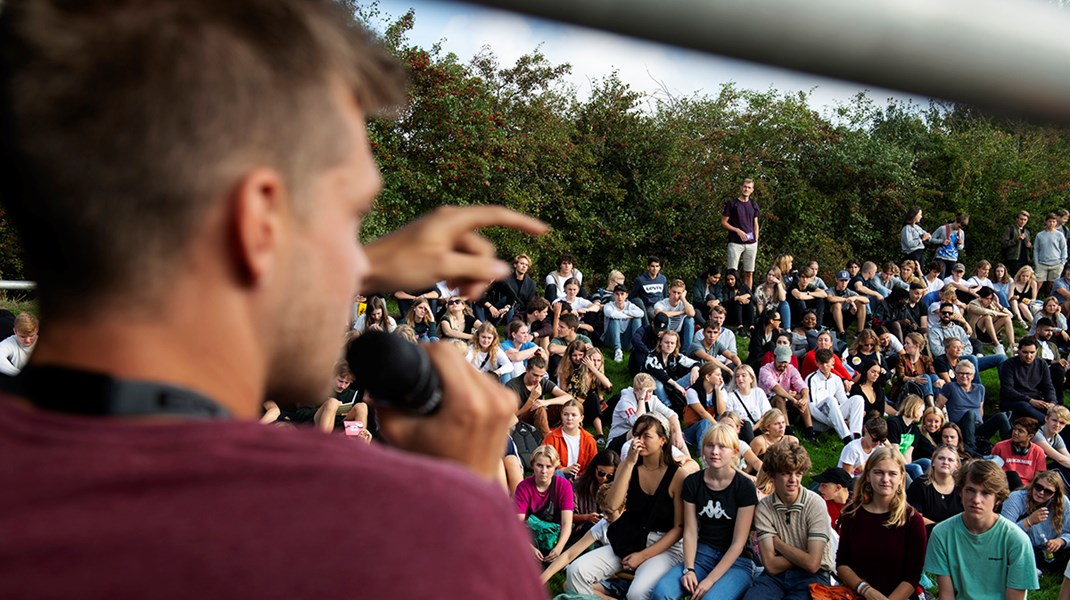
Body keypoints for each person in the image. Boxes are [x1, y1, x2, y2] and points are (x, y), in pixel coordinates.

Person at [0, 1, 551, 596]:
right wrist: (465, 505)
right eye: (352, 219)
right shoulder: (400, 534)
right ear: (260, 220)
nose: (359, 260)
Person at [565, 415, 691, 600]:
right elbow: (612, 505)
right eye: (636, 434)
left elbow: (679, 528)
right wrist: (629, 463)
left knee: (637, 593)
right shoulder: (629, 466)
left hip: (666, 545)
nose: (639, 441)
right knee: (576, 572)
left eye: (646, 436)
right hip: (632, 537)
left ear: (662, 440)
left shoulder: (678, 476)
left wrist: (642, 556)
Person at [650, 424, 758, 600]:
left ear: (734, 452)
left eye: (722, 446)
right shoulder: (693, 482)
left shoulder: (744, 487)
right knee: (661, 592)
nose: (714, 451)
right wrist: (689, 569)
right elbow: (690, 531)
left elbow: (738, 543)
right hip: (703, 553)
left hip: (737, 561)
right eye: (710, 445)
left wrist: (710, 580)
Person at [924, 460, 1039, 600]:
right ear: (960, 491)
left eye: (986, 493)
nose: (976, 500)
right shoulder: (941, 533)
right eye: (970, 490)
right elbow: (947, 595)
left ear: (998, 499)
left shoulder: (1016, 540)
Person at [744, 442, 837, 599]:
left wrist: (778, 544)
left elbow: (813, 564)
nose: (793, 479)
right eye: (786, 473)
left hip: (813, 576)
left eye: (798, 473)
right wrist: (805, 555)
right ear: (773, 475)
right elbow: (771, 565)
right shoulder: (764, 508)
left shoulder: (815, 503)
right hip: (775, 576)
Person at [836, 448, 927, 600]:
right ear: (868, 475)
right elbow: (842, 563)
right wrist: (866, 590)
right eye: (878, 472)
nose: (885, 479)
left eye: (892, 473)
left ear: (901, 478)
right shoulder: (851, 514)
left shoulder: (912, 519)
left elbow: (913, 575)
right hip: (857, 593)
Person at [541, 481, 624, 584]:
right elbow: (569, 554)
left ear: (623, 508)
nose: (605, 517)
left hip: (631, 572)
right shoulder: (603, 525)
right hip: (615, 571)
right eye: (603, 512)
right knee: (568, 585)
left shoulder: (635, 527)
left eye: (609, 513)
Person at [514, 445, 575, 565]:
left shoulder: (564, 485)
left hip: (556, 534)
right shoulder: (523, 487)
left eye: (549, 467)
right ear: (532, 465)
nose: (544, 471)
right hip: (531, 534)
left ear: (555, 468)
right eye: (539, 465)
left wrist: (558, 548)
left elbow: (567, 522)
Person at [1000, 470, 1070, 572]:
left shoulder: (1062, 502)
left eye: (1048, 491)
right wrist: (1029, 522)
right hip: (1025, 547)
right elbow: (1003, 533)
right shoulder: (1016, 498)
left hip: (1052, 548)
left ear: (1054, 494)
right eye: (1039, 487)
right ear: (1033, 484)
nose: (1041, 493)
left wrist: (1061, 541)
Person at [937, 360, 1010, 455]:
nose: (964, 376)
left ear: (973, 376)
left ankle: (1010, 447)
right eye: (961, 373)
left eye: (967, 373)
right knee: (970, 414)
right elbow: (938, 407)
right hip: (960, 428)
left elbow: (980, 410)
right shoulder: (950, 387)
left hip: (977, 428)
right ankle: (971, 450)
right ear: (956, 374)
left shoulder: (980, 388)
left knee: (1001, 416)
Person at [608, 373, 687, 455]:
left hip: (641, 440)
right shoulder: (625, 402)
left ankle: (690, 461)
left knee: (671, 430)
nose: (648, 395)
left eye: (650, 391)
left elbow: (672, 415)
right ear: (635, 390)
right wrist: (641, 399)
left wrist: (677, 433)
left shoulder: (652, 399)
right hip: (617, 444)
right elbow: (637, 423)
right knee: (638, 431)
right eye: (645, 391)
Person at [806, 348, 865, 443]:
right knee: (831, 400)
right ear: (817, 363)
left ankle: (856, 435)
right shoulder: (811, 379)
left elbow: (844, 401)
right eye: (821, 363)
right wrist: (833, 422)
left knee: (858, 399)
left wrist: (839, 420)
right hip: (819, 418)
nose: (824, 366)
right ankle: (847, 438)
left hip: (835, 415)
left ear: (832, 361)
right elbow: (811, 408)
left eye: (827, 363)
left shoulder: (836, 379)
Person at [757, 347, 815, 442]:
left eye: (786, 362)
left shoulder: (791, 369)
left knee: (799, 397)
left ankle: (809, 431)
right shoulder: (765, 370)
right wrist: (793, 400)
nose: (783, 365)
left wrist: (804, 398)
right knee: (780, 398)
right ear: (774, 358)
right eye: (780, 362)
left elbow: (801, 385)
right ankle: (787, 430)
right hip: (768, 402)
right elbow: (775, 388)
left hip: (785, 401)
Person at [507, 355, 574, 437]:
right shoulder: (513, 386)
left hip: (541, 418)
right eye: (535, 375)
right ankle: (548, 440)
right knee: (539, 409)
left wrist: (546, 402)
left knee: (564, 405)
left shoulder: (543, 382)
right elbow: (513, 417)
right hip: (520, 421)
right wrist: (532, 398)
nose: (538, 379)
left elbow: (569, 398)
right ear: (527, 369)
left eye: (541, 376)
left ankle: (572, 434)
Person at [906, 445, 962, 534]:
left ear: (957, 465)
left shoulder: (962, 488)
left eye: (950, 460)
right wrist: (942, 529)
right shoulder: (920, 484)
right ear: (933, 462)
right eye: (941, 458)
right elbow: (915, 517)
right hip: (927, 534)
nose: (945, 462)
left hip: (957, 535)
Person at [1000, 336, 1057, 422]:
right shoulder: (1009, 364)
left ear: (1036, 351)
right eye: (1025, 352)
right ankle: (1048, 423)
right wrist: (1030, 400)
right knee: (1024, 406)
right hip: (1015, 400)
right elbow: (1007, 389)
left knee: (1059, 410)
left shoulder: (1042, 364)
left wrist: (1052, 402)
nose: (1029, 356)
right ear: (1019, 351)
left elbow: (1048, 386)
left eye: (1032, 352)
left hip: (1036, 400)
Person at [569, 450, 621, 539]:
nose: (604, 478)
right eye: (601, 473)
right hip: (583, 530)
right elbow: (568, 515)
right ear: (594, 468)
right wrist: (587, 517)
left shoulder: (618, 488)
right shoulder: (578, 485)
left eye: (610, 476)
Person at [542, 399, 598, 479]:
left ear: (581, 418)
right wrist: (563, 470)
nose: (569, 418)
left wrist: (580, 477)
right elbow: (544, 461)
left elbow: (592, 465)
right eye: (566, 414)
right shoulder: (551, 437)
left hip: (581, 479)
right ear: (561, 416)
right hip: (557, 476)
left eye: (574, 415)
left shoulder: (589, 440)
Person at [722, 178, 760, 290]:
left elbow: (756, 224)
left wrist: (756, 241)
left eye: (749, 187)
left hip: (751, 243)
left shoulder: (754, 205)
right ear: (741, 188)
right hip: (735, 243)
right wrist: (737, 230)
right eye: (744, 187)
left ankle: (748, 296)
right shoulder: (732, 203)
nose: (746, 189)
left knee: (749, 273)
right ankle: (732, 297)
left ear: (752, 190)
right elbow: (724, 222)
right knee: (732, 273)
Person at [992, 417, 1048, 489]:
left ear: (1030, 436)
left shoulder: (1038, 452)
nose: (1015, 433)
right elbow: (992, 470)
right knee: (1013, 475)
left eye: (1020, 431)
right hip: (1004, 486)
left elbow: (1038, 478)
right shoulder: (1000, 447)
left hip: (1027, 489)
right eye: (1015, 429)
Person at [683, 362, 728, 449]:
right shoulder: (692, 391)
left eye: (721, 375)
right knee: (705, 422)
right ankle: (702, 456)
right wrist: (719, 427)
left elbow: (721, 413)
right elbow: (702, 413)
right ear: (707, 377)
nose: (721, 378)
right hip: (693, 429)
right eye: (718, 375)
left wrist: (718, 391)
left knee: (726, 419)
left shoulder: (721, 391)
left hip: (712, 426)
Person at [487, 253, 537, 324]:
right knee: (509, 300)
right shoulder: (505, 279)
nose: (524, 266)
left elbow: (529, 303)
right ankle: (512, 327)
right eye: (522, 263)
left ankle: (514, 325)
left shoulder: (531, 283)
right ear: (515, 265)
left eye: (526, 265)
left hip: (520, 312)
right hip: (503, 309)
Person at [603, 284, 644, 362]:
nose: (620, 297)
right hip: (611, 339)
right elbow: (611, 314)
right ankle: (617, 350)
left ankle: (637, 348)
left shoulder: (630, 305)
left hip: (627, 340)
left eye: (622, 294)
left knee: (637, 319)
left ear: (626, 295)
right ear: (613, 295)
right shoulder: (609, 305)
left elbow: (641, 313)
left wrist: (625, 312)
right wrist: (626, 316)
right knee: (614, 319)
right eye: (617, 294)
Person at [654, 279, 697, 354]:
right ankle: (666, 350)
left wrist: (683, 298)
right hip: (665, 332)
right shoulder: (662, 303)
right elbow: (659, 313)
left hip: (680, 332)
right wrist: (681, 312)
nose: (676, 296)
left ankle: (686, 353)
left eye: (679, 293)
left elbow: (691, 314)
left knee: (690, 320)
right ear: (669, 290)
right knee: (666, 318)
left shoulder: (684, 304)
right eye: (674, 292)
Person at [1034, 405, 1070, 486]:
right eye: (1054, 420)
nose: (1057, 425)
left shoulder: (1056, 437)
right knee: (1061, 468)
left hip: (1040, 469)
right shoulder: (1037, 435)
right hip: (1029, 469)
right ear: (1046, 419)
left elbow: (1068, 457)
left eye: (1062, 423)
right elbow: (1060, 459)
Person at [1035, 212, 1069, 292]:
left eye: (1054, 222)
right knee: (1038, 283)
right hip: (1042, 263)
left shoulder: (1059, 235)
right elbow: (1036, 250)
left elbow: (1064, 248)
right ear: (1046, 222)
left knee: (1052, 284)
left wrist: (1062, 262)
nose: (1051, 223)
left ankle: (1051, 300)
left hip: (1056, 263)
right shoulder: (1040, 235)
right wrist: (1036, 262)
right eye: (1050, 221)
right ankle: (1033, 299)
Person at [631, 257, 668, 325]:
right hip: (649, 307)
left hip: (661, 305)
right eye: (652, 266)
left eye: (657, 266)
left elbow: (665, 295)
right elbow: (632, 296)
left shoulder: (663, 279)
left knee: (668, 317)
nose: (655, 269)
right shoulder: (640, 280)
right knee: (659, 318)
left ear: (659, 268)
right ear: (648, 267)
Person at [1002, 210, 1033, 278]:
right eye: (1021, 219)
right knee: (1015, 277)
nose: (1023, 221)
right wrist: (1016, 240)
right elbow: (1004, 243)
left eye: (1025, 220)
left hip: (1025, 259)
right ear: (1017, 219)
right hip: (1014, 258)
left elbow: (1030, 246)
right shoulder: (1010, 229)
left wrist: (1030, 246)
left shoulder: (1027, 231)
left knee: (1025, 278)